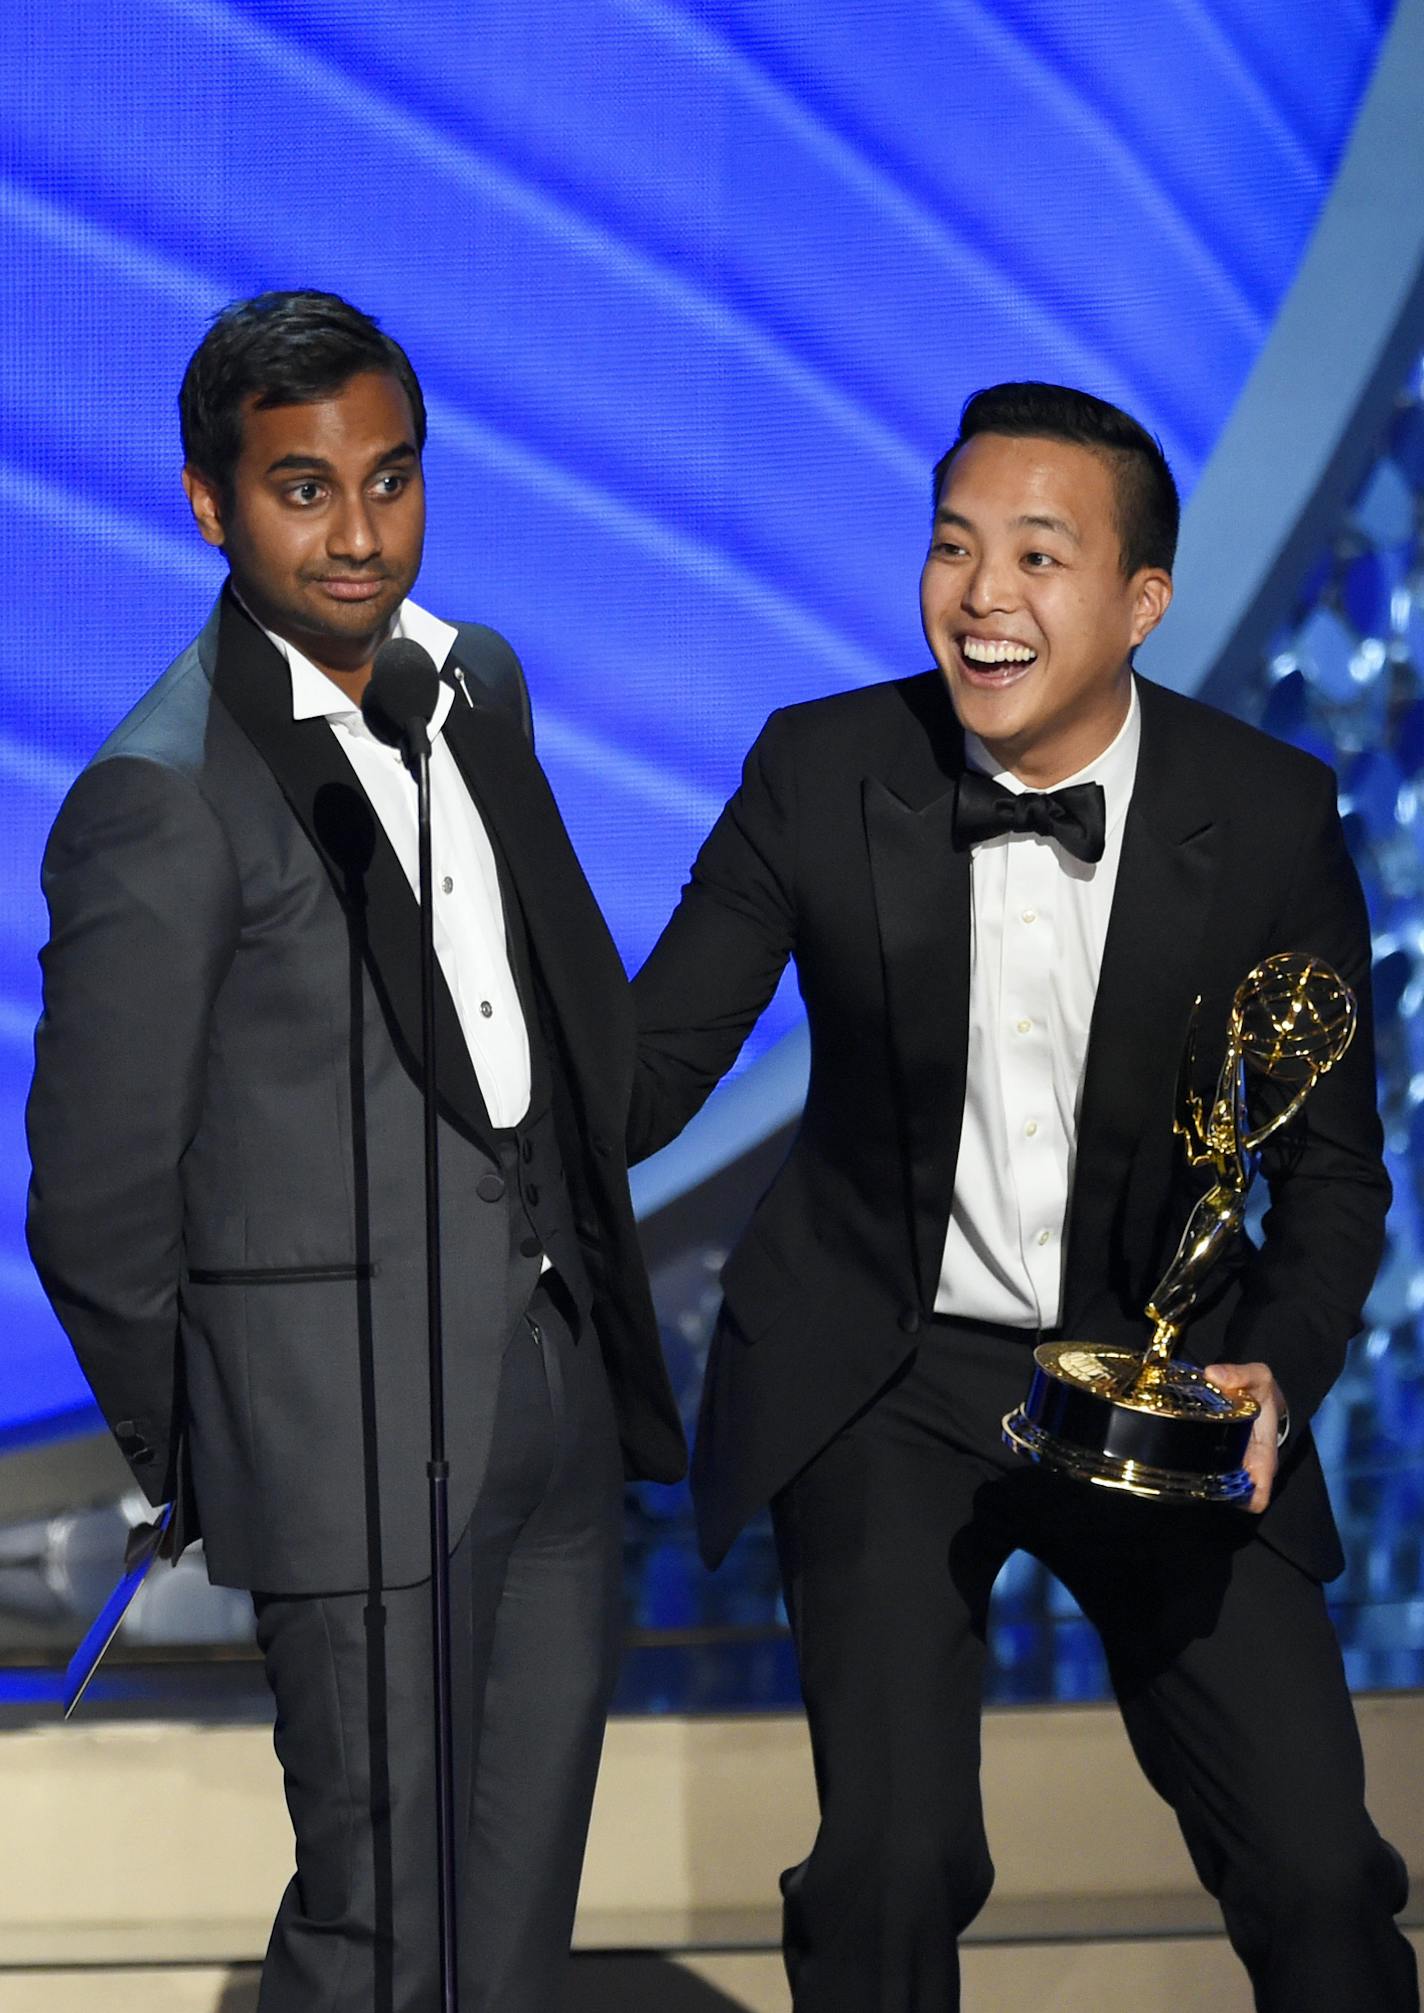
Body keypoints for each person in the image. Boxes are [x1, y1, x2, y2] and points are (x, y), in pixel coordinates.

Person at [630, 382, 1418, 2011]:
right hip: (887, 1366)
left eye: (1039, 556)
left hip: (1164, 1373)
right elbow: (641, 1078)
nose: (982, 596)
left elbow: (1334, 1178)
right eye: (954, 546)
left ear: (1142, 604)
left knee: (1321, 1871)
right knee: (892, 1865)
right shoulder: (822, 766)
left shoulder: (1266, 814)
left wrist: (1279, 1367)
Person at [27, 289, 685, 2012]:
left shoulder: (478, 689)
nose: (358, 530)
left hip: (548, 1401)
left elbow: (548, 1033)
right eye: (302, 487)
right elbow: (92, 1202)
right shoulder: (162, 792)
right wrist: (231, 1432)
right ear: (208, 503)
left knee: (506, 1934)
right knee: (382, 1924)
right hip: (342, 1443)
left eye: (388, 480)